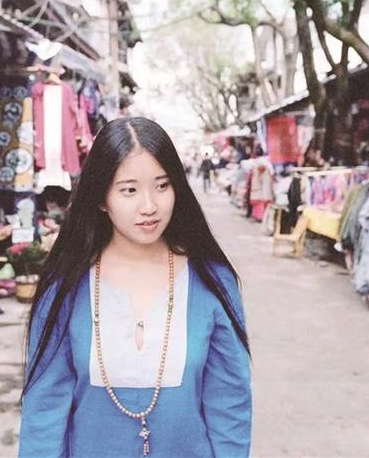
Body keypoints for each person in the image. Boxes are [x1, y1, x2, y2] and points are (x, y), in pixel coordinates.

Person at [19, 117, 251, 458]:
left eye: (162, 186)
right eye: (129, 190)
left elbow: (230, 402)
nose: (149, 206)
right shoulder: (67, 286)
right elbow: (44, 409)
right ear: (101, 198)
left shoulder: (211, 281)